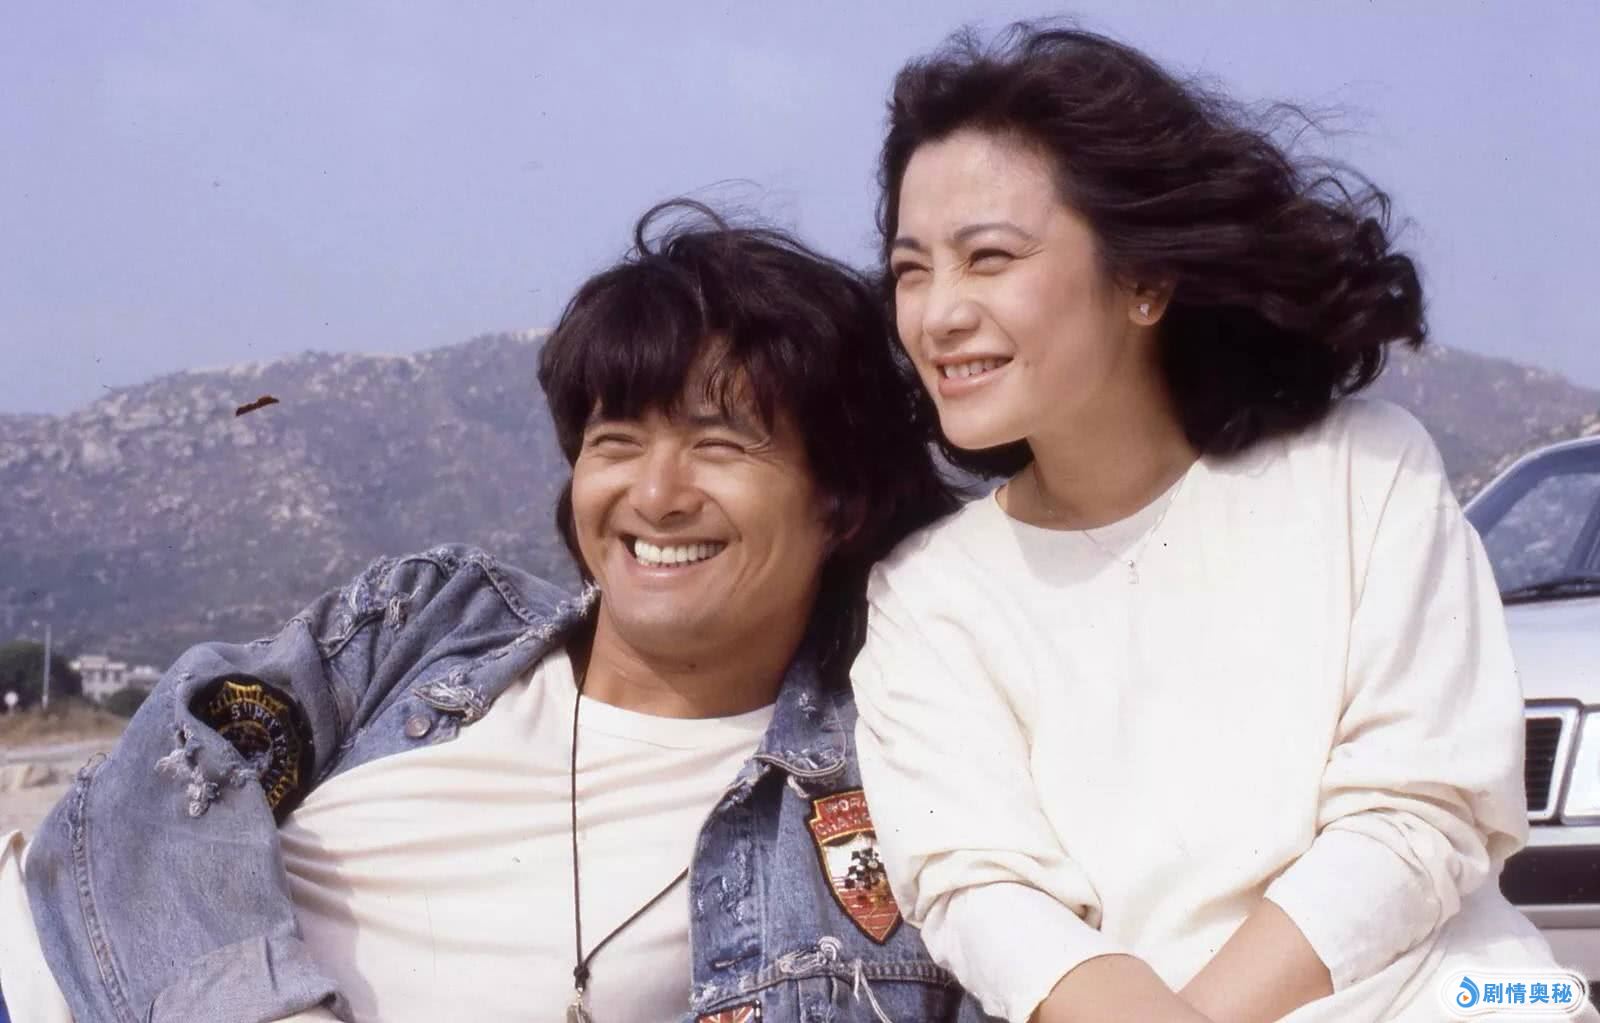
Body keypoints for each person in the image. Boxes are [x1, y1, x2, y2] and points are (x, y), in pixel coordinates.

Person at [1, 201, 992, 1023]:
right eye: (615, 442)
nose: (655, 495)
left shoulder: (881, 792)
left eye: (719, 445)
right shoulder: (426, 622)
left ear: (839, 501)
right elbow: (156, 777)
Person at [850, 24, 1596, 1023]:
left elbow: (1416, 811)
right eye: (911, 270)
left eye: (989, 258)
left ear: (1144, 281)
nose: (939, 313)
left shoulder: (1361, 470)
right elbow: (985, 894)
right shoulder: (926, 598)